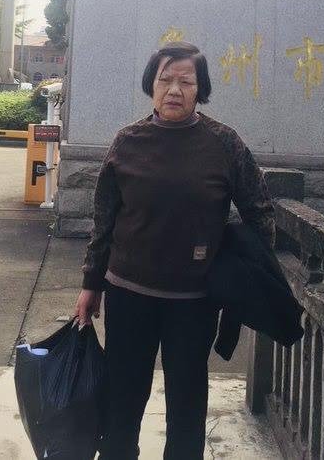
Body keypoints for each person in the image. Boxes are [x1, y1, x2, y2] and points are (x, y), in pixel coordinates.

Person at [74, 41, 275, 460]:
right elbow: (104, 220)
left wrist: (240, 276)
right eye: (165, 80)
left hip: (194, 301)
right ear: (151, 84)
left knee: (187, 403)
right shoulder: (128, 141)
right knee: (123, 399)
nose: (174, 90)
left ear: (201, 90)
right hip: (128, 293)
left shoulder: (224, 143)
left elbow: (259, 212)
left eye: (186, 82)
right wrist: (91, 284)